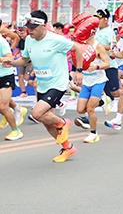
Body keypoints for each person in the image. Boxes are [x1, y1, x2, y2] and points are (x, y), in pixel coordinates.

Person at [1, 11, 83, 162]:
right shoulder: (30, 41)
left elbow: (78, 48)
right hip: (43, 85)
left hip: (57, 83)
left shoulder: (56, 39)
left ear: (43, 26)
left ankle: (64, 122)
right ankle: (68, 148)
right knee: (46, 121)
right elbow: (24, 59)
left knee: (37, 113)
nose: (29, 30)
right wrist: (11, 62)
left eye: (33, 27)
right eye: (28, 27)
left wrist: (78, 71)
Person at [75, 28, 110, 144]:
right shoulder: (79, 45)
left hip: (98, 80)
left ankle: (93, 133)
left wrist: (96, 67)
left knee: (90, 109)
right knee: (80, 109)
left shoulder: (97, 46)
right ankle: (102, 102)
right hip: (87, 81)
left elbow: (107, 63)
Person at [0, 30, 27, 140]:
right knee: (3, 104)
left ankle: (16, 131)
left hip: (5, 76)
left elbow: (10, 58)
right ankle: (17, 108)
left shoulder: (1, 42)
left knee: (3, 106)